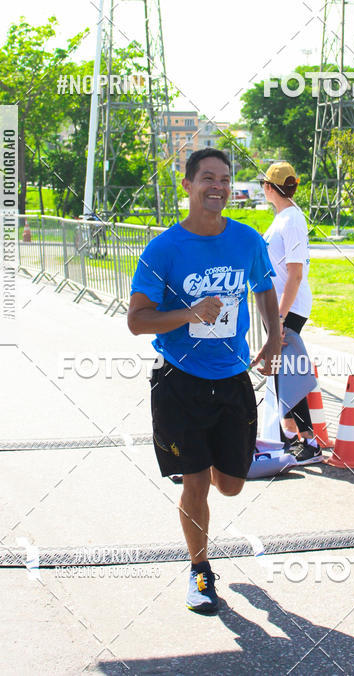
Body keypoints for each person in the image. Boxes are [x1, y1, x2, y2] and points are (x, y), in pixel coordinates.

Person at [128, 148, 282, 614]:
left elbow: (265, 288)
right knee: (194, 481)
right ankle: (200, 570)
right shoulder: (164, 249)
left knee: (230, 484)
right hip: (180, 380)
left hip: (232, 377)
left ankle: (214, 464)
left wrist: (274, 340)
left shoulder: (248, 240)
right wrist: (190, 313)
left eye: (225, 179)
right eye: (208, 178)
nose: (218, 186)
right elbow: (137, 320)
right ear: (188, 185)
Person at [261, 162, 323, 464]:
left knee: (290, 373)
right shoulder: (283, 218)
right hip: (279, 307)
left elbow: (295, 274)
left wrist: (281, 318)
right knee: (282, 372)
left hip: (290, 307)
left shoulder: (292, 220)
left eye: (265, 184)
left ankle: (309, 442)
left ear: (269, 188)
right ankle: (290, 437)